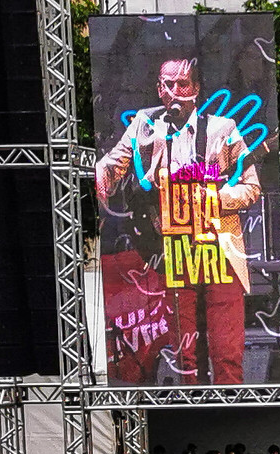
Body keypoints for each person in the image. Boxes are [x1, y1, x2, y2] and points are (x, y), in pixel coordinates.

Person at [94, 57, 263, 385]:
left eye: (182, 84)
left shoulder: (222, 129)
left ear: (196, 89)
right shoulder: (145, 125)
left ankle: (232, 414)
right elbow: (112, 165)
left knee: (226, 351)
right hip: (176, 252)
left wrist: (212, 199)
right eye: (167, 85)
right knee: (186, 354)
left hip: (220, 253)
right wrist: (99, 175)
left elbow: (251, 187)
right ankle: (195, 416)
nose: (174, 92)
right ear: (159, 89)